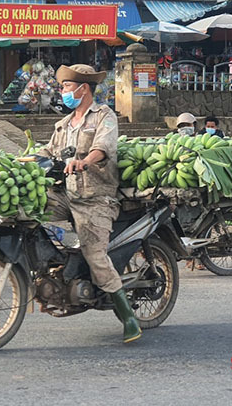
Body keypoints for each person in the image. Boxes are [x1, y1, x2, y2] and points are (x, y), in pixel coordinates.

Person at [38, 64, 141, 343]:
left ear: (83, 89)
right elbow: (47, 151)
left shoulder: (103, 116)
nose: (63, 92)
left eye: (67, 87)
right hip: (65, 194)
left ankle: (128, 316)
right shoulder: (63, 124)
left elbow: (104, 147)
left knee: (95, 252)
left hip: (96, 197)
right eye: (62, 87)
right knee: (30, 213)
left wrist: (84, 161)